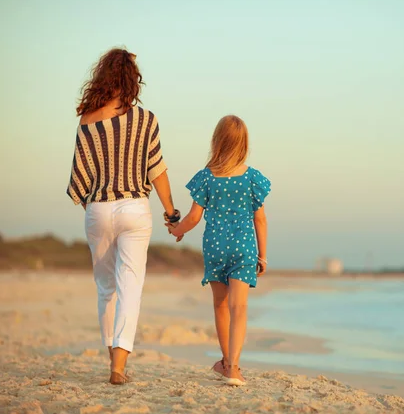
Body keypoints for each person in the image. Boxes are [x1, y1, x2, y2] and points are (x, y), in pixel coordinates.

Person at [66, 47, 181, 385]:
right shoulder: (146, 120)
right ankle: (119, 368)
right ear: (132, 80)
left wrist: (97, 208)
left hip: (98, 209)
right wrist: (171, 213)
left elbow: (80, 180)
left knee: (106, 289)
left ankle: (111, 360)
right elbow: (156, 170)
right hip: (134, 207)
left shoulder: (87, 121)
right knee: (130, 287)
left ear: (102, 77)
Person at [168, 115, 271, 386]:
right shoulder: (252, 178)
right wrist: (263, 255)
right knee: (240, 307)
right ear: (244, 143)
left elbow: (193, 217)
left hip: (215, 247)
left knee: (221, 305)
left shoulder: (206, 176)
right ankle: (234, 368)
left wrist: (177, 231)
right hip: (243, 247)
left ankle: (226, 362)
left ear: (217, 141)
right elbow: (260, 219)